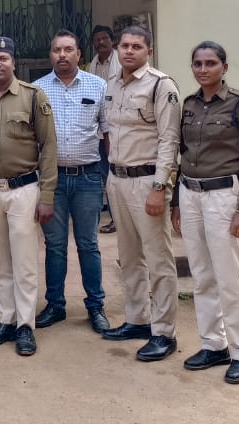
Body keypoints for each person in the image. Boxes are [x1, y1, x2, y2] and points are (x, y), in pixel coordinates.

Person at [172, 41, 239, 385]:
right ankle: (214, 345)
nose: (203, 69)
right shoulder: (188, 105)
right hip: (190, 194)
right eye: (197, 63)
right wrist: (176, 202)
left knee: (228, 277)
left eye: (210, 63)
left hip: (224, 196)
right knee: (202, 275)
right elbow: (182, 155)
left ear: (224, 67)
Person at [0, 36, 57, 356]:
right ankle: (5, 319)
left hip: (24, 191)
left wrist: (47, 195)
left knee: (25, 261)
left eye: (3, 58)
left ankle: (25, 325)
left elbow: (48, 147)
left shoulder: (33, 96)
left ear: (13, 63)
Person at [99, 25, 181, 363]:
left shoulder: (162, 85)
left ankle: (164, 332)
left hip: (148, 181)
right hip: (117, 179)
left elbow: (169, 140)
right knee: (129, 256)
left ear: (149, 51)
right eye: (125, 46)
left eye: (136, 46)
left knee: (158, 260)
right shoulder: (112, 85)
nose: (129, 51)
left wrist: (160, 187)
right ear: (117, 49)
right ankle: (137, 319)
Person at [31, 30, 110, 334]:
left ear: (79, 54)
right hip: (52, 180)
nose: (62, 55)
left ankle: (95, 306)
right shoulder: (37, 90)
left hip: (88, 177)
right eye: (56, 50)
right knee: (55, 245)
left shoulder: (98, 86)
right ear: (50, 55)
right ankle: (55, 305)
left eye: (68, 50)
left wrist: (110, 177)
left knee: (88, 244)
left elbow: (107, 134)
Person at [87, 25, 122, 234]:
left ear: (112, 41)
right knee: (104, 174)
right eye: (97, 39)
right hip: (98, 130)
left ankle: (119, 219)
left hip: (116, 127)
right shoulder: (92, 66)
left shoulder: (120, 63)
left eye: (104, 38)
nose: (100, 42)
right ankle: (114, 217)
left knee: (115, 173)